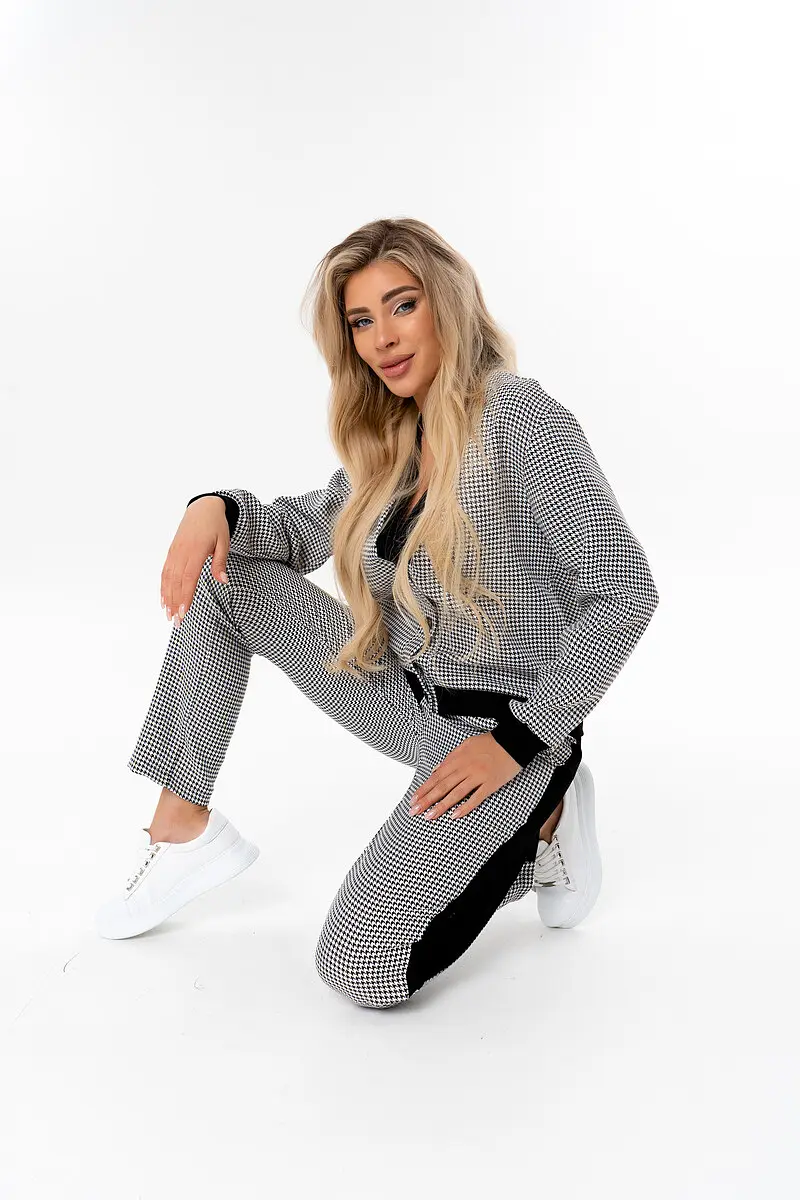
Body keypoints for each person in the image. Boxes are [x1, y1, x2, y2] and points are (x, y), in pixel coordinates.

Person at [95, 217, 659, 1009]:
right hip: (404, 696)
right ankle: (183, 826)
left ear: (446, 303)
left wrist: (520, 741)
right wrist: (213, 505)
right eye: (361, 321)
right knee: (229, 580)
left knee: (360, 968)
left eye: (402, 306)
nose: (383, 338)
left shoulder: (519, 416)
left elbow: (625, 589)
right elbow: (299, 530)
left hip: (496, 733)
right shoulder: (396, 436)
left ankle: (542, 813)